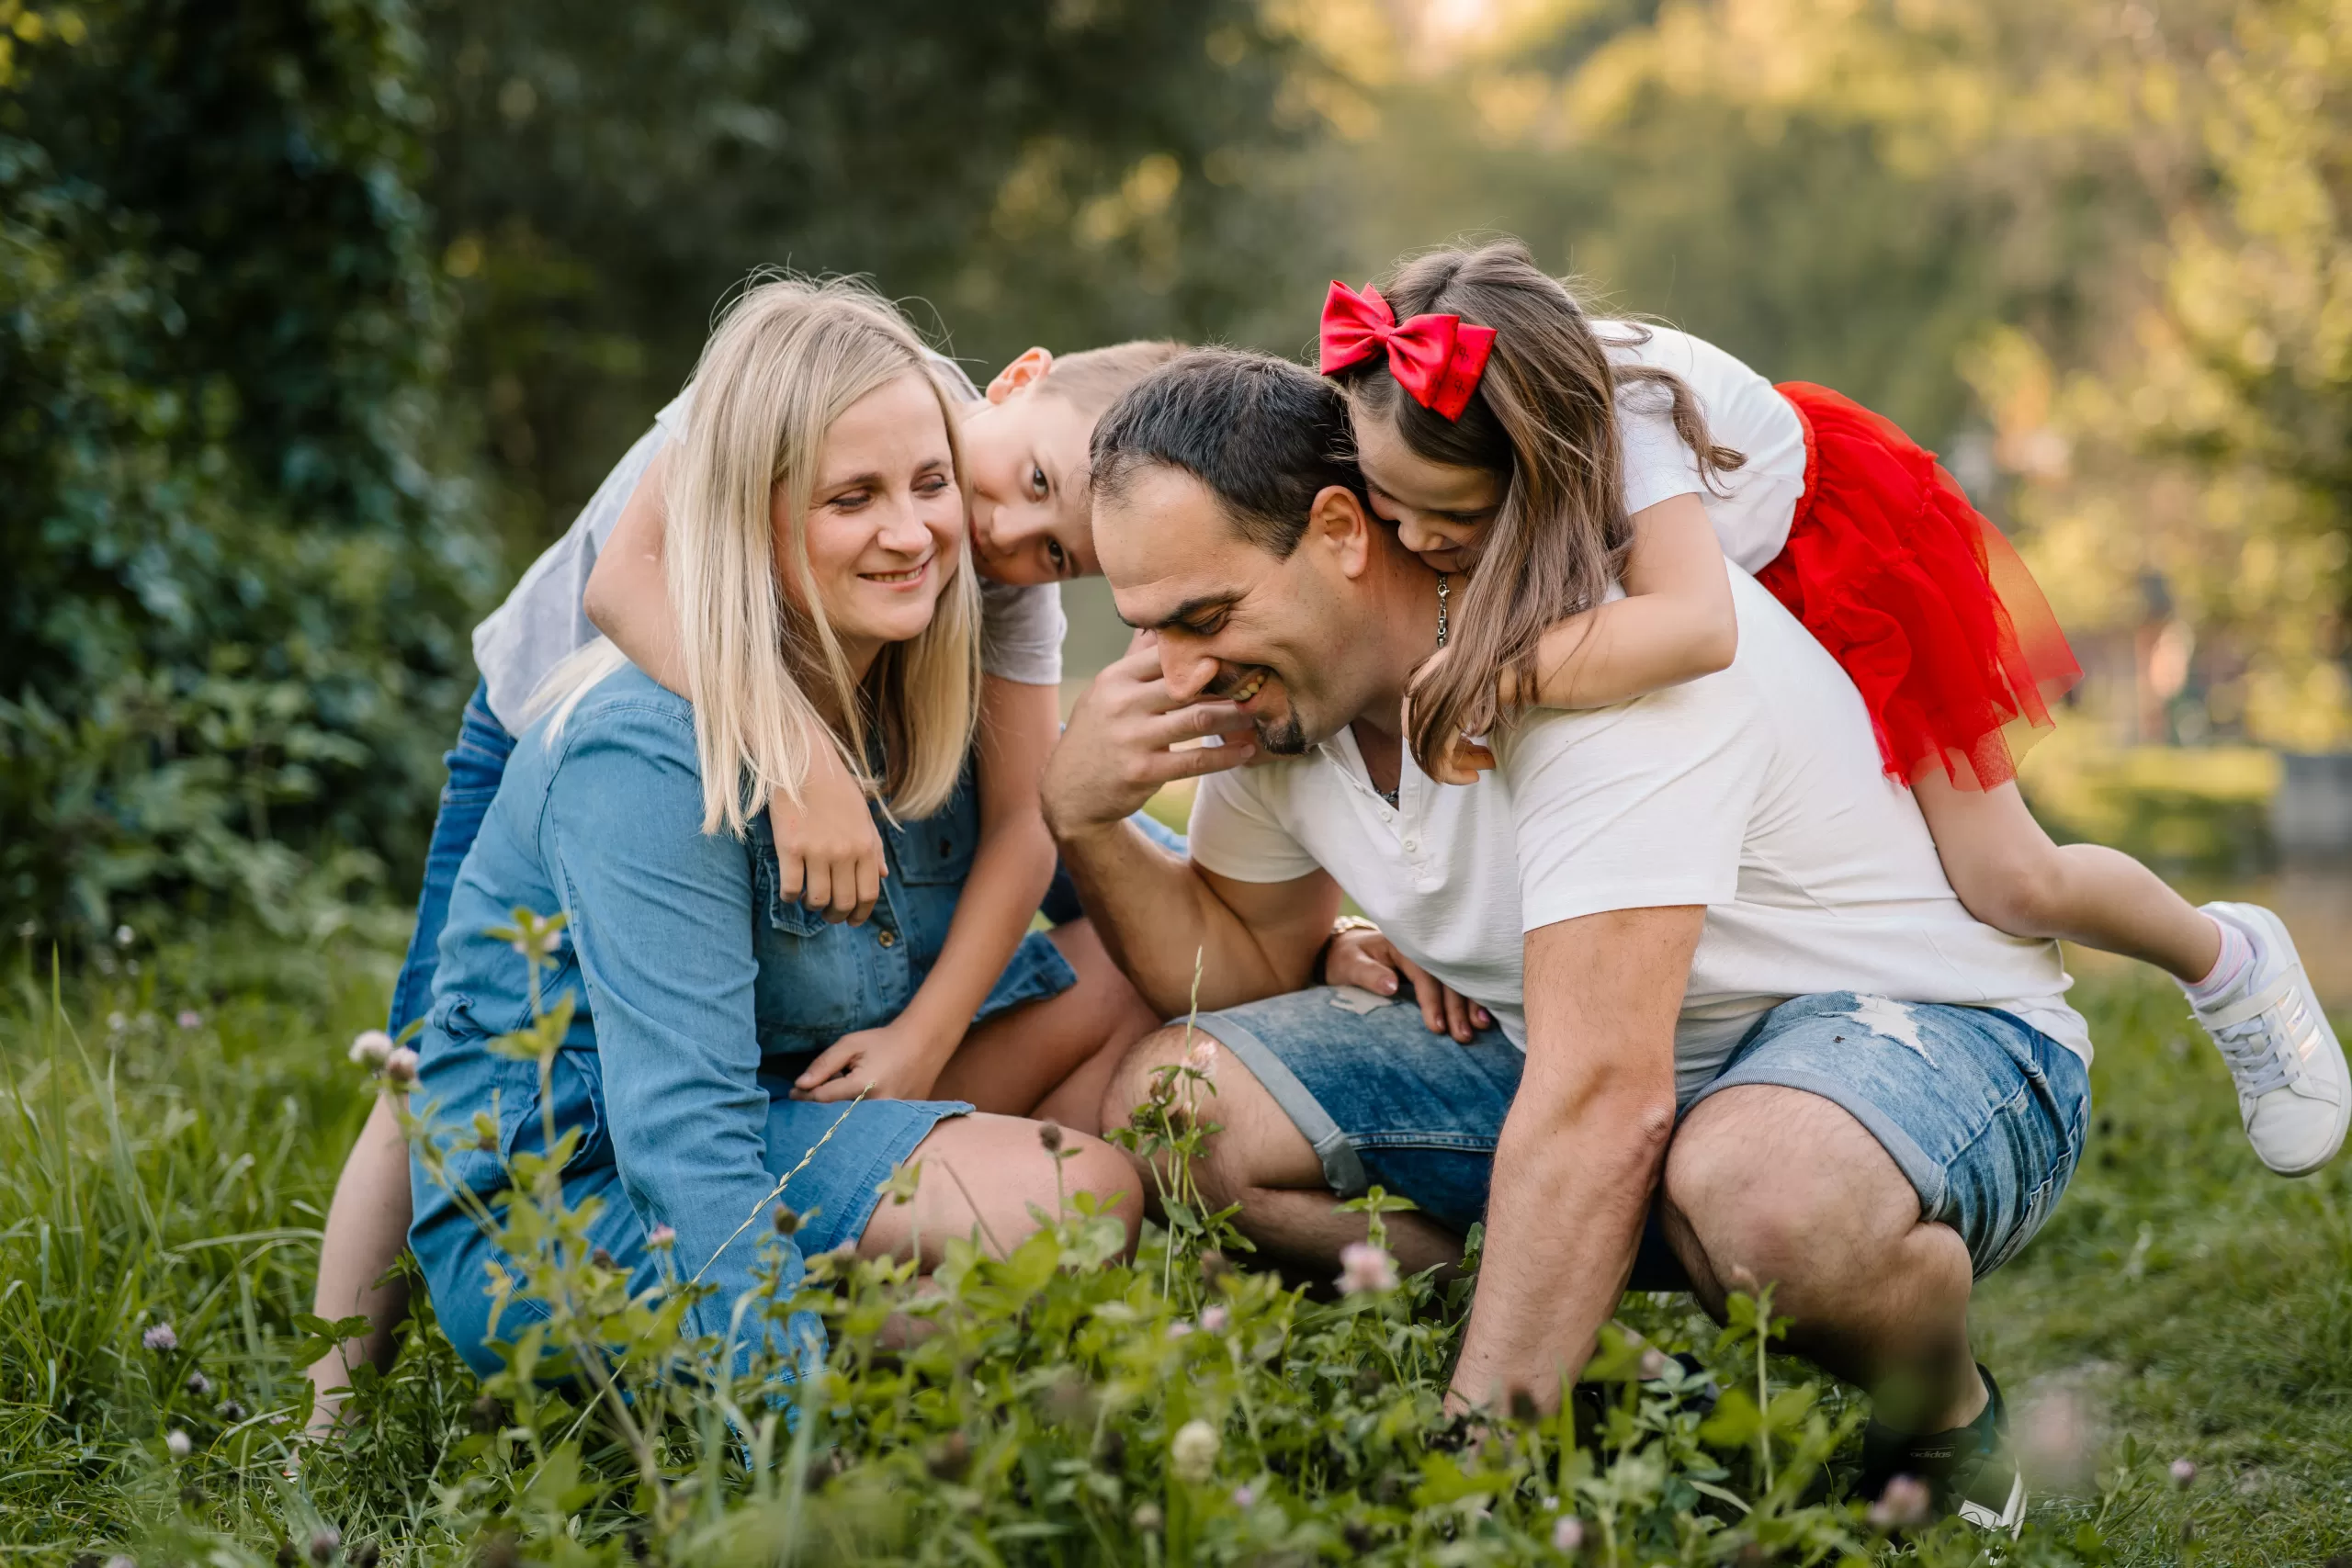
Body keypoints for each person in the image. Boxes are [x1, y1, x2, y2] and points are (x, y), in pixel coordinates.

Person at [1047, 346, 2098, 1529]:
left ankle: (1943, 1419)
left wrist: (1463, 1487)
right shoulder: (1286, 695)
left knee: (1761, 1190)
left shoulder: (1589, 660)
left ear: (1342, 530)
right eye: (1146, 631)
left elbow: (1606, 1097)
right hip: (1609, 1079)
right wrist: (1083, 816)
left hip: (1923, 1046)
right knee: (1178, 1101)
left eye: (1205, 616)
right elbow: (1235, 969)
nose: (1179, 670)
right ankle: (1621, 1398)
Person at [306, 301, 1178, 1425]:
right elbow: (622, 588)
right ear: (1012, 383)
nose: (990, 530)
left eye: (1056, 550)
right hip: (563, 710)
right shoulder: (803, 398)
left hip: (804, 694)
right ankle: (332, 1421)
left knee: (1121, 920)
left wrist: (925, 1040)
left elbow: (1036, 818)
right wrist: (793, 751)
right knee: (433, 1053)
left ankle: (854, 1312)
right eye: (859, 496)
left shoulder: (963, 587)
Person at [1315, 241, 2346, 1179]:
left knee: (2007, 879)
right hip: (1729, 598)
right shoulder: (1392, 400)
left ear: (1540, 463)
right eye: (1386, 502)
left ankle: (2226, 962)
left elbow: (1692, 630)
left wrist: (1489, 669)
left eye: (1449, 515)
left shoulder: (1626, 419)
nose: (1406, 538)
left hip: (1836, 571)